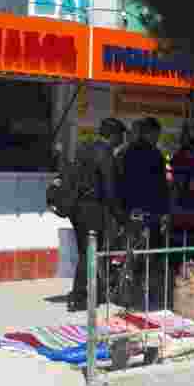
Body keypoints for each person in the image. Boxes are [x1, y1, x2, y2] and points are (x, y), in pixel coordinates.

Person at [69, 117, 127, 312]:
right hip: (92, 209)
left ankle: (92, 293)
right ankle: (79, 297)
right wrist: (121, 217)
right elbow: (110, 191)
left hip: (77, 208)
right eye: (121, 135)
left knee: (85, 252)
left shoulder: (86, 148)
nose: (122, 139)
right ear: (113, 135)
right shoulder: (105, 153)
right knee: (90, 252)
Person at [119, 116, 171, 245]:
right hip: (150, 210)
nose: (157, 138)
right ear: (151, 133)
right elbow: (161, 185)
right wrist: (165, 210)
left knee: (133, 245)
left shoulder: (127, 152)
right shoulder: (155, 154)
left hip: (131, 209)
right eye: (157, 135)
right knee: (150, 246)